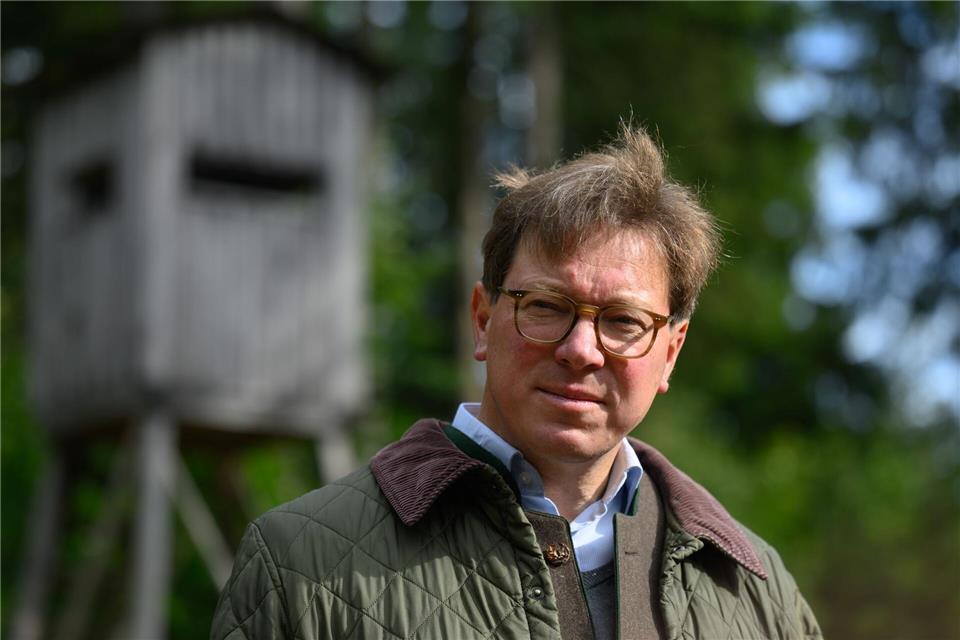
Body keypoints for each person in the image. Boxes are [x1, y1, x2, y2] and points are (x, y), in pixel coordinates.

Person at [210, 124, 822, 640]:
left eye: (623, 322)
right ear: (483, 320)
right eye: (547, 307)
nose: (581, 351)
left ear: (670, 352)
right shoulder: (298, 563)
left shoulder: (758, 594)